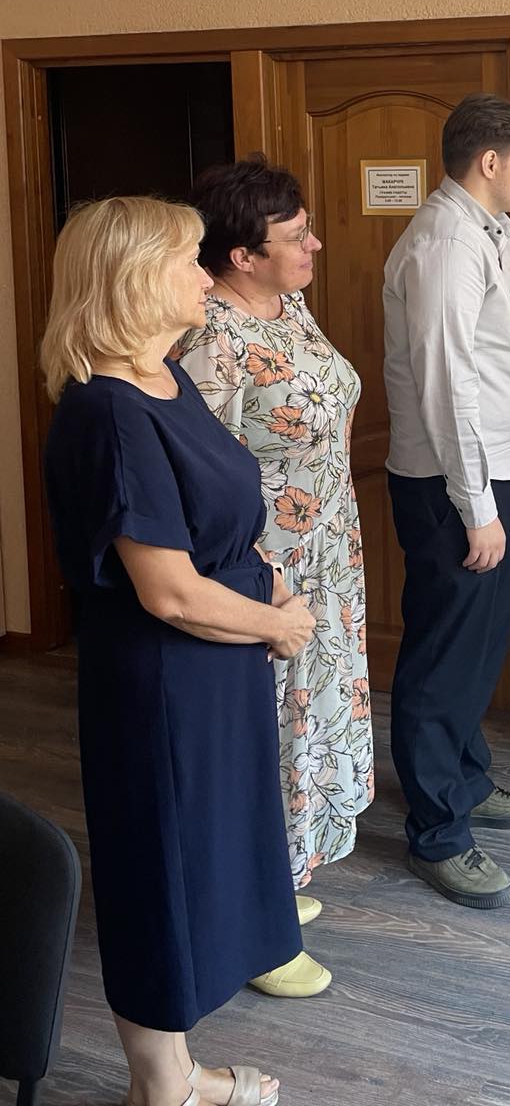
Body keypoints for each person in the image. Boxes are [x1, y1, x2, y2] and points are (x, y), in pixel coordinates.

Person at [41, 196, 315, 1106]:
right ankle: (166, 1085)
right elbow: (168, 590)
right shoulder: (108, 411)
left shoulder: (165, 379)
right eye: (189, 260)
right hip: (162, 685)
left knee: (206, 856)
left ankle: (173, 1076)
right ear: (131, 278)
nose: (206, 276)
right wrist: (276, 624)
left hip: (214, 673)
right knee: (161, 869)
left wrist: (268, 580)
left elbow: (213, 520)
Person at [176, 156, 372, 998]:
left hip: (329, 556)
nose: (314, 244)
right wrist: (262, 578)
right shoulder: (210, 338)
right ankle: (255, 927)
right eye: (296, 236)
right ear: (241, 256)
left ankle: (281, 879)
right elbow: (201, 482)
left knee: (310, 727)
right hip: (266, 573)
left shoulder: (287, 304)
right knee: (270, 736)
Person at [382, 94, 510, 908]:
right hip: (457, 487)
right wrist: (476, 505)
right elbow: (446, 382)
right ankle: (438, 831)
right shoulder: (446, 243)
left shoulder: (486, 232)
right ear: (490, 162)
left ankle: (466, 779)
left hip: (498, 471)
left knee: (478, 647)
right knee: (444, 655)